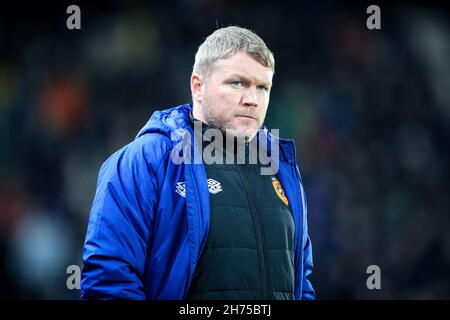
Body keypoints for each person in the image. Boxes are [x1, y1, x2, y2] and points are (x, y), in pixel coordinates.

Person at [81, 26, 314, 300]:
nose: (252, 99)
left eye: (262, 87)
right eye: (237, 83)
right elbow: (108, 278)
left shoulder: (282, 169)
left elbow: (301, 281)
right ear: (198, 86)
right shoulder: (146, 160)